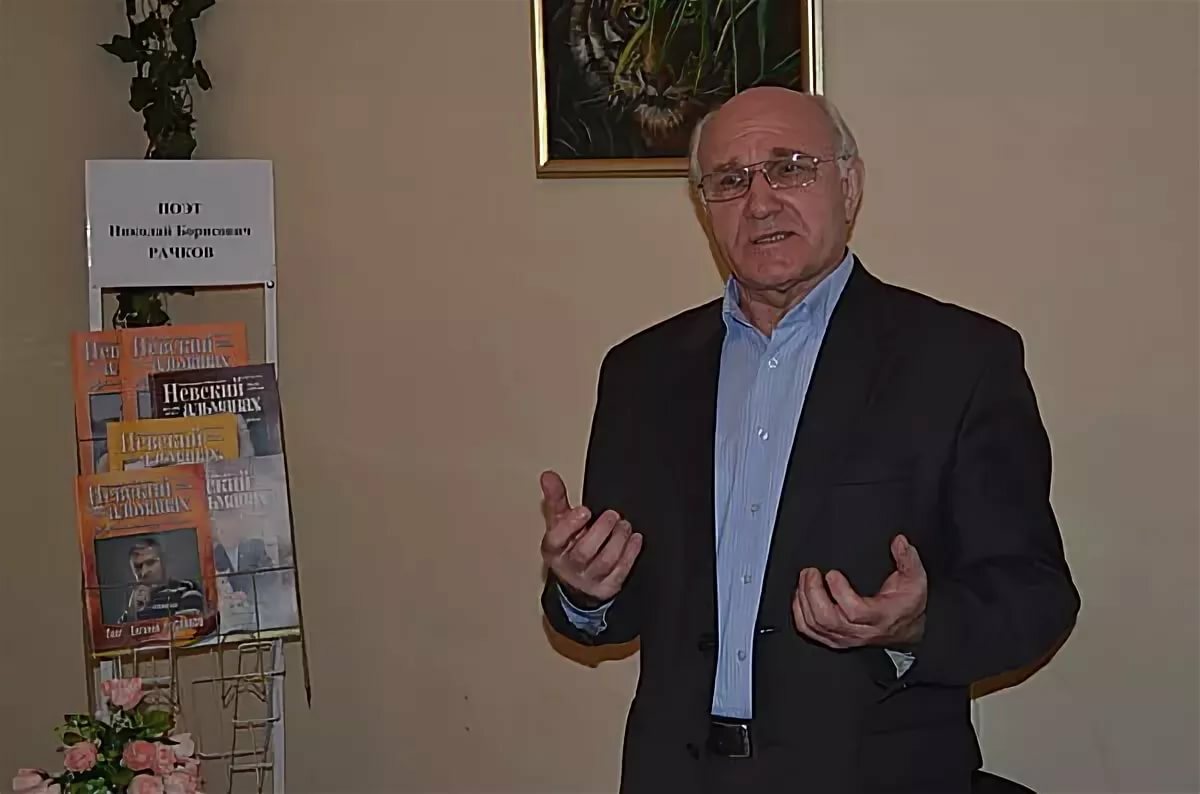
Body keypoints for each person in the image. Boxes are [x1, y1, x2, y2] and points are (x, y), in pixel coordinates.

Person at [538, 87, 1080, 793]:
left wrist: (917, 624)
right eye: (730, 180)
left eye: (790, 168)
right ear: (705, 209)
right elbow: (620, 608)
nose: (760, 202)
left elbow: (1034, 596)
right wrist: (585, 592)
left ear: (848, 187)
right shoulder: (642, 372)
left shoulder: (959, 362)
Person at [119, 537, 205, 624]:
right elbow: (120, 632)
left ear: (164, 562)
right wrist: (132, 612)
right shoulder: (134, 602)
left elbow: (188, 629)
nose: (144, 572)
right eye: (137, 567)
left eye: (150, 563)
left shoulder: (187, 588)